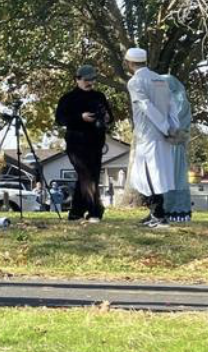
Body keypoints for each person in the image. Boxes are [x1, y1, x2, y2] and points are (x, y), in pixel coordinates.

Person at [124, 48, 176, 228]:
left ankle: (159, 216)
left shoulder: (135, 82)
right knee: (158, 173)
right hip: (164, 133)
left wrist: (163, 126)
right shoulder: (160, 79)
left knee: (149, 175)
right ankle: (155, 213)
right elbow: (171, 104)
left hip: (149, 133)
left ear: (129, 63)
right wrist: (172, 127)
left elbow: (146, 106)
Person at [54, 65, 113, 221]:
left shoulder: (99, 96)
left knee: (90, 176)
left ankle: (76, 212)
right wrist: (81, 117)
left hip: (96, 141)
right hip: (76, 142)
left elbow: (109, 117)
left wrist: (106, 117)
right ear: (77, 79)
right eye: (86, 80)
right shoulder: (68, 98)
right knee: (86, 174)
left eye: (92, 80)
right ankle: (95, 211)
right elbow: (60, 119)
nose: (90, 83)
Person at [165, 72, 193, 223]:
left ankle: (177, 210)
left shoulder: (179, 102)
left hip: (174, 146)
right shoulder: (172, 101)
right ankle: (166, 209)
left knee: (175, 178)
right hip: (168, 147)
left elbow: (177, 125)